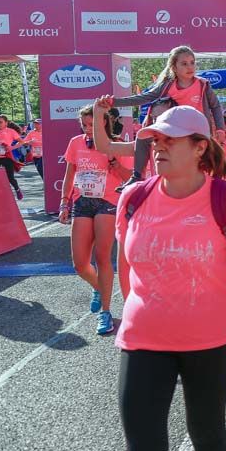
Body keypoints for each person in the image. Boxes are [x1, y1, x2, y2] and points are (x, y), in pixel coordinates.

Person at [110, 103, 226, 451]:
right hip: (144, 338)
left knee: (206, 435)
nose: (158, 146)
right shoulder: (133, 198)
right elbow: (125, 267)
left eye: (169, 140)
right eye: (155, 139)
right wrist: (133, 315)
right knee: (143, 447)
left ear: (199, 147)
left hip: (211, 339)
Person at [106, 46, 226, 191]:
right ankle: (137, 176)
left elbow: (216, 106)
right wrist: (115, 102)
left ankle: (215, 187)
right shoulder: (168, 86)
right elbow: (144, 97)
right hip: (175, 132)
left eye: (192, 62)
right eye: (184, 63)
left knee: (206, 169)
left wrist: (220, 129)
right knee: (142, 136)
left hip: (197, 134)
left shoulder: (202, 85)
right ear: (174, 67)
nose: (190, 67)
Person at [58, 105, 133, 335]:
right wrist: (64, 201)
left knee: (102, 257)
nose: (87, 129)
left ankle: (106, 311)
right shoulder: (76, 142)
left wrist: (114, 162)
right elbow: (70, 173)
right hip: (83, 202)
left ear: (104, 123)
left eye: (92, 124)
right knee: (79, 264)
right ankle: (99, 288)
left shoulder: (117, 143)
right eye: (84, 125)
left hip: (108, 202)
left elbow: (129, 177)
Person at [0, 114, 24, 200]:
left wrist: (12, 147)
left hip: (6, 156)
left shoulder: (11, 131)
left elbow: (21, 142)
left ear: (6, 123)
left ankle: (17, 189)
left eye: (1, 122)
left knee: (10, 177)